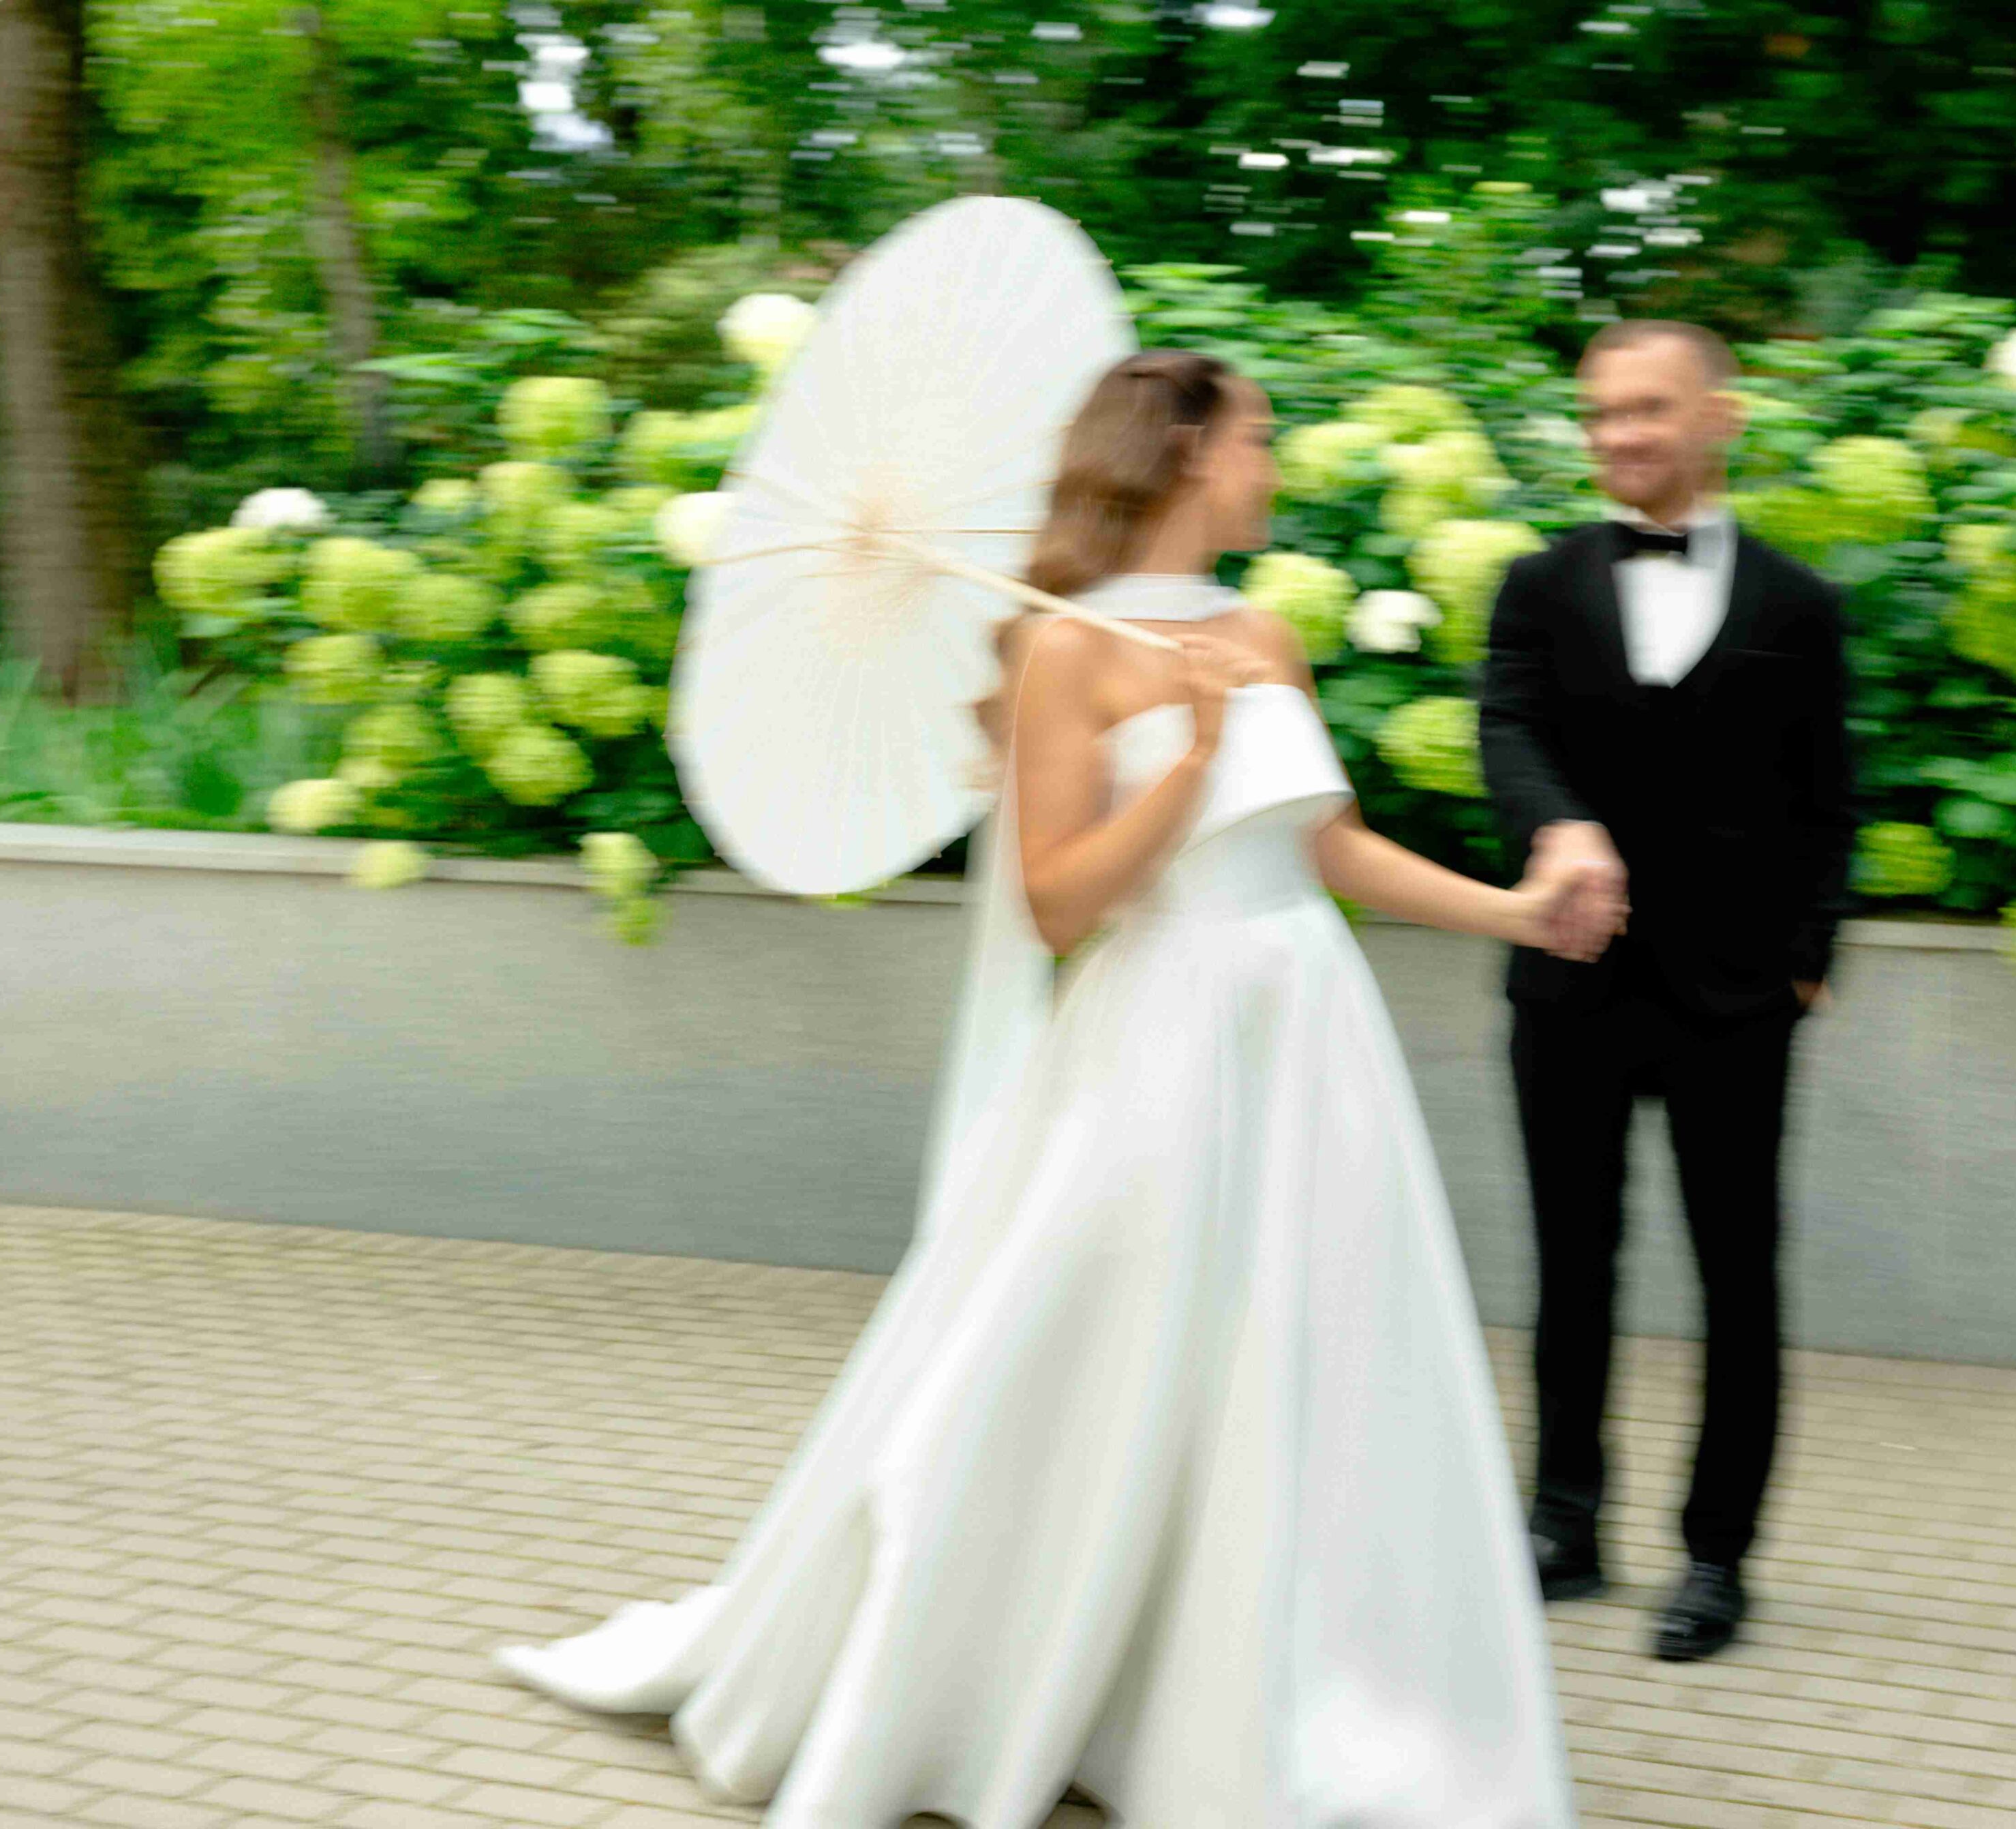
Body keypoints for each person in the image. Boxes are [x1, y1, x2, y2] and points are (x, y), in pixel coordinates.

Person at [494, 350, 1587, 1826]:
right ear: (1187, 453)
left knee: (1298, 1357)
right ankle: (1012, 1666)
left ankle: (1247, 1688)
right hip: (1162, 1036)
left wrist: (1509, 911)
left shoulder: (1262, 625)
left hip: (1307, 1030)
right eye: (1258, 436)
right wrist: (1188, 758)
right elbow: (1061, 902)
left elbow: (1324, 850)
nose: (1276, 461)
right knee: (1103, 1357)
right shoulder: (1061, 651)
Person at [1479, 320, 1855, 1664]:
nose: (1616, 435)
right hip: (1566, 982)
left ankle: (1715, 1557)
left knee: (1735, 1279)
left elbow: (1827, 796)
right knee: (1568, 1266)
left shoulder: (1797, 602)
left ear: (1716, 416)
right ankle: (1562, 1524)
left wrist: (1806, 958)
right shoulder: (1533, 583)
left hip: (1734, 997)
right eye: (1596, 415)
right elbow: (1506, 728)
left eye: (1644, 409)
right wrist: (1559, 828)